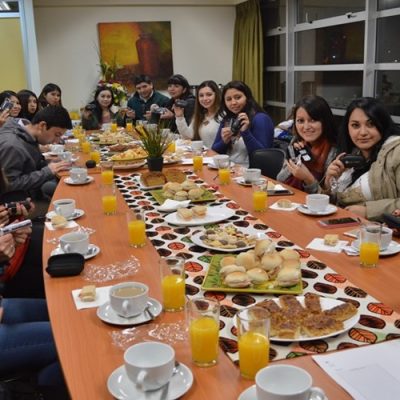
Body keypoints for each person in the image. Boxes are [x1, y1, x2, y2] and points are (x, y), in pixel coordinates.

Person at [324, 97, 400, 220]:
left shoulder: (396, 152)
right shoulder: (351, 153)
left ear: (383, 124)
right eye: (355, 125)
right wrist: (329, 181)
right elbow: (331, 205)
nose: (363, 132)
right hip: (345, 225)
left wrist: (367, 211)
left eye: (371, 124)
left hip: (381, 234)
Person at [0, 106, 72, 202]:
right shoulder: (12, 146)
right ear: (42, 125)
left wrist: (49, 163)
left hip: (32, 194)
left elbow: (29, 164)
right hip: (18, 204)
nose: (57, 141)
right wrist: (48, 171)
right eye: (57, 135)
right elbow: (9, 184)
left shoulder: (27, 134)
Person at [276, 95, 338, 193]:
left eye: (313, 120)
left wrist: (308, 179)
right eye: (300, 121)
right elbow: (280, 179)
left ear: (325, 121)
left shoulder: (334, 151)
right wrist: (296, 158)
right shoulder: (296, 141)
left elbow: (331, 199)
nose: (306, 127)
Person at [212, 80, 274, 166]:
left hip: (251, 173)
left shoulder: (260, 119)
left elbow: (263, 157)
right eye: (229, 99)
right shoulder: (228, 119)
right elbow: (214, 152)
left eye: (238, 97)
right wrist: (224, 142)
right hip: (229, 170)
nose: (233, 102)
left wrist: (245, 132)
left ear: (247, 98)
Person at [175, 80, 221, 149]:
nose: (205, 98)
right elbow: (188, 136)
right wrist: (180, 117)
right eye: (201, 96)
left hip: (217, 157)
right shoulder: (200, 115)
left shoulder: (223, 116)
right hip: (203, 156)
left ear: (216, 95)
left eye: (209, 94)